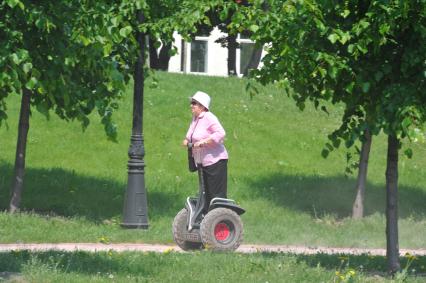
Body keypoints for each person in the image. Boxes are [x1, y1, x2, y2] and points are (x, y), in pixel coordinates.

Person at [182, 91, 228, 209]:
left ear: (202, 106)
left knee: (215, 194)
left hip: (215, 161)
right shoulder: (195, 118)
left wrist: (205, 141)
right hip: (201, 162)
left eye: (194, 103)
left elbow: (221, 133)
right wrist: (186, 141)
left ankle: (218, 219)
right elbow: (191, 136)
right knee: (205, 194)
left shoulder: (208, 117)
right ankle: (206, 220)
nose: (191, 105)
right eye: (191, 102)